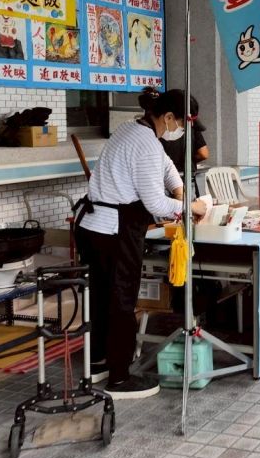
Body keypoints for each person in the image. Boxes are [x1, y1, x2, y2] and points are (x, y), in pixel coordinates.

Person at [75, 89, 208, 398]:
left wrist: (179, 190)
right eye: (182, 123)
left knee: (101, 298)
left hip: (95, 228)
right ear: (169, 117)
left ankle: (100, 361)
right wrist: (189, 207)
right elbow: (155, 204)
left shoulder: (134, 129)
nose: (182, 130)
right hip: (114, 231)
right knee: (121, 301)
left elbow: (167, 167)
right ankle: (120, 379)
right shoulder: (145, 141)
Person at [160, 92, 209, 183]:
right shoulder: (152, 136)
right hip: (175, 179)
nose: (189, 126)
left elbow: (204, 154)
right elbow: (203, 153)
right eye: (184, 124)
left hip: (181, 179)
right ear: (168, 117)